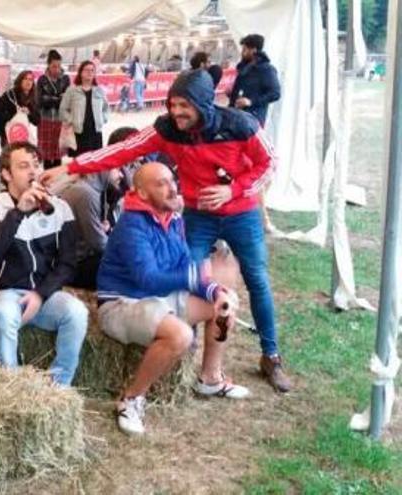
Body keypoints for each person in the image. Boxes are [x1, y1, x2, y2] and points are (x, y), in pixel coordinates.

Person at [41, 69, 292, 393]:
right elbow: (123, 149)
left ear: (203, 104)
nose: (175, 112)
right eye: (172, 104)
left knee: (257, 278)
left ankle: (270, 355)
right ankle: (182, 348)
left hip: (240, 213)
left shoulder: (240, 124)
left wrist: (235, 190)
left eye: (183, 106)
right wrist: (72, 166)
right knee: (195, 280)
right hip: (198, 216)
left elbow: (269, 163)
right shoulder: (167, 130)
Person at [97, 163, 250, 435]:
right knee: (180, 336)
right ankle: (130, 399)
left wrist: (214, 290)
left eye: (172, 181)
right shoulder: (132, 225)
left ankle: (210, 379)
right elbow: (148, 278)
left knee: (226, 301)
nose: (172, 188)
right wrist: (196, 276)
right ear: (142, 194)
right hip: (122, 304)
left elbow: (183, 266)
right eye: (161, 184)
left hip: (159, 298)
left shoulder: (173, 219)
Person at [0, 142, 87, 386]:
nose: (33, 172)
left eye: (36, 165)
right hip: (8, 293)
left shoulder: (60, 208)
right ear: (6, 174)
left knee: (77, 312)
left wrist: (40, 294)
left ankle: (59, 386)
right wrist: (18, 212)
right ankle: (12, 389)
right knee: (4, 315)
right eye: (23, 166)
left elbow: (68, 264)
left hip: (46, 294)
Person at [59, 127, 139, 290]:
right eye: (117, 169)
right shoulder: (85, 193)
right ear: (104, 167)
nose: (122, 174)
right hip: (75, 265)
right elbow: (98, 243)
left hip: (81, 256)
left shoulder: (93, 189)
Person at [228, 34, 281, 126]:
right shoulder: (243, 69)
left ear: (254, 50)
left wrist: (251, 101)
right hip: (237, 117)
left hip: (253, 121)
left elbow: (275, 93)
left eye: (244, 50)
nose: (242, 53)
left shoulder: (266, 69)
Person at [60, 60, 110, 156]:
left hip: (95, 133)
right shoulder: (72, 90)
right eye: (86, 70)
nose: (89, 72)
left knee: (94, 162)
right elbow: (63, 110)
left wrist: (102, 119)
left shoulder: (99, 90)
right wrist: (71, 120)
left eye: (92, 70)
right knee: (79, 163)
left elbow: (106, 109)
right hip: (78, 133)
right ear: (80, 73)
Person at [36, 49, 71, 169]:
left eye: (59, 66)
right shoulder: (42, 80)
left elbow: (67, 100)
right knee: (46, 154)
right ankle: (47, 178)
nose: (57, 69)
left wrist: (51, 98)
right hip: (45, 120)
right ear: (48, 65)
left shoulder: (65, 79)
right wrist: (58, 98)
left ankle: (56, 180)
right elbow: (40, 101)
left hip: (60, 120)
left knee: (58, 153)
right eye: (54, 66)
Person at [0, 70, 40, 146]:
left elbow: (37, 120)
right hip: (8, 135)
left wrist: (29, 113)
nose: (28, 82)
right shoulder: (9, 95)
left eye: (30, 80)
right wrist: (15, 113)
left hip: (24, 136)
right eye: (25, 79)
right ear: (20, 80)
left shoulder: (33, 98)